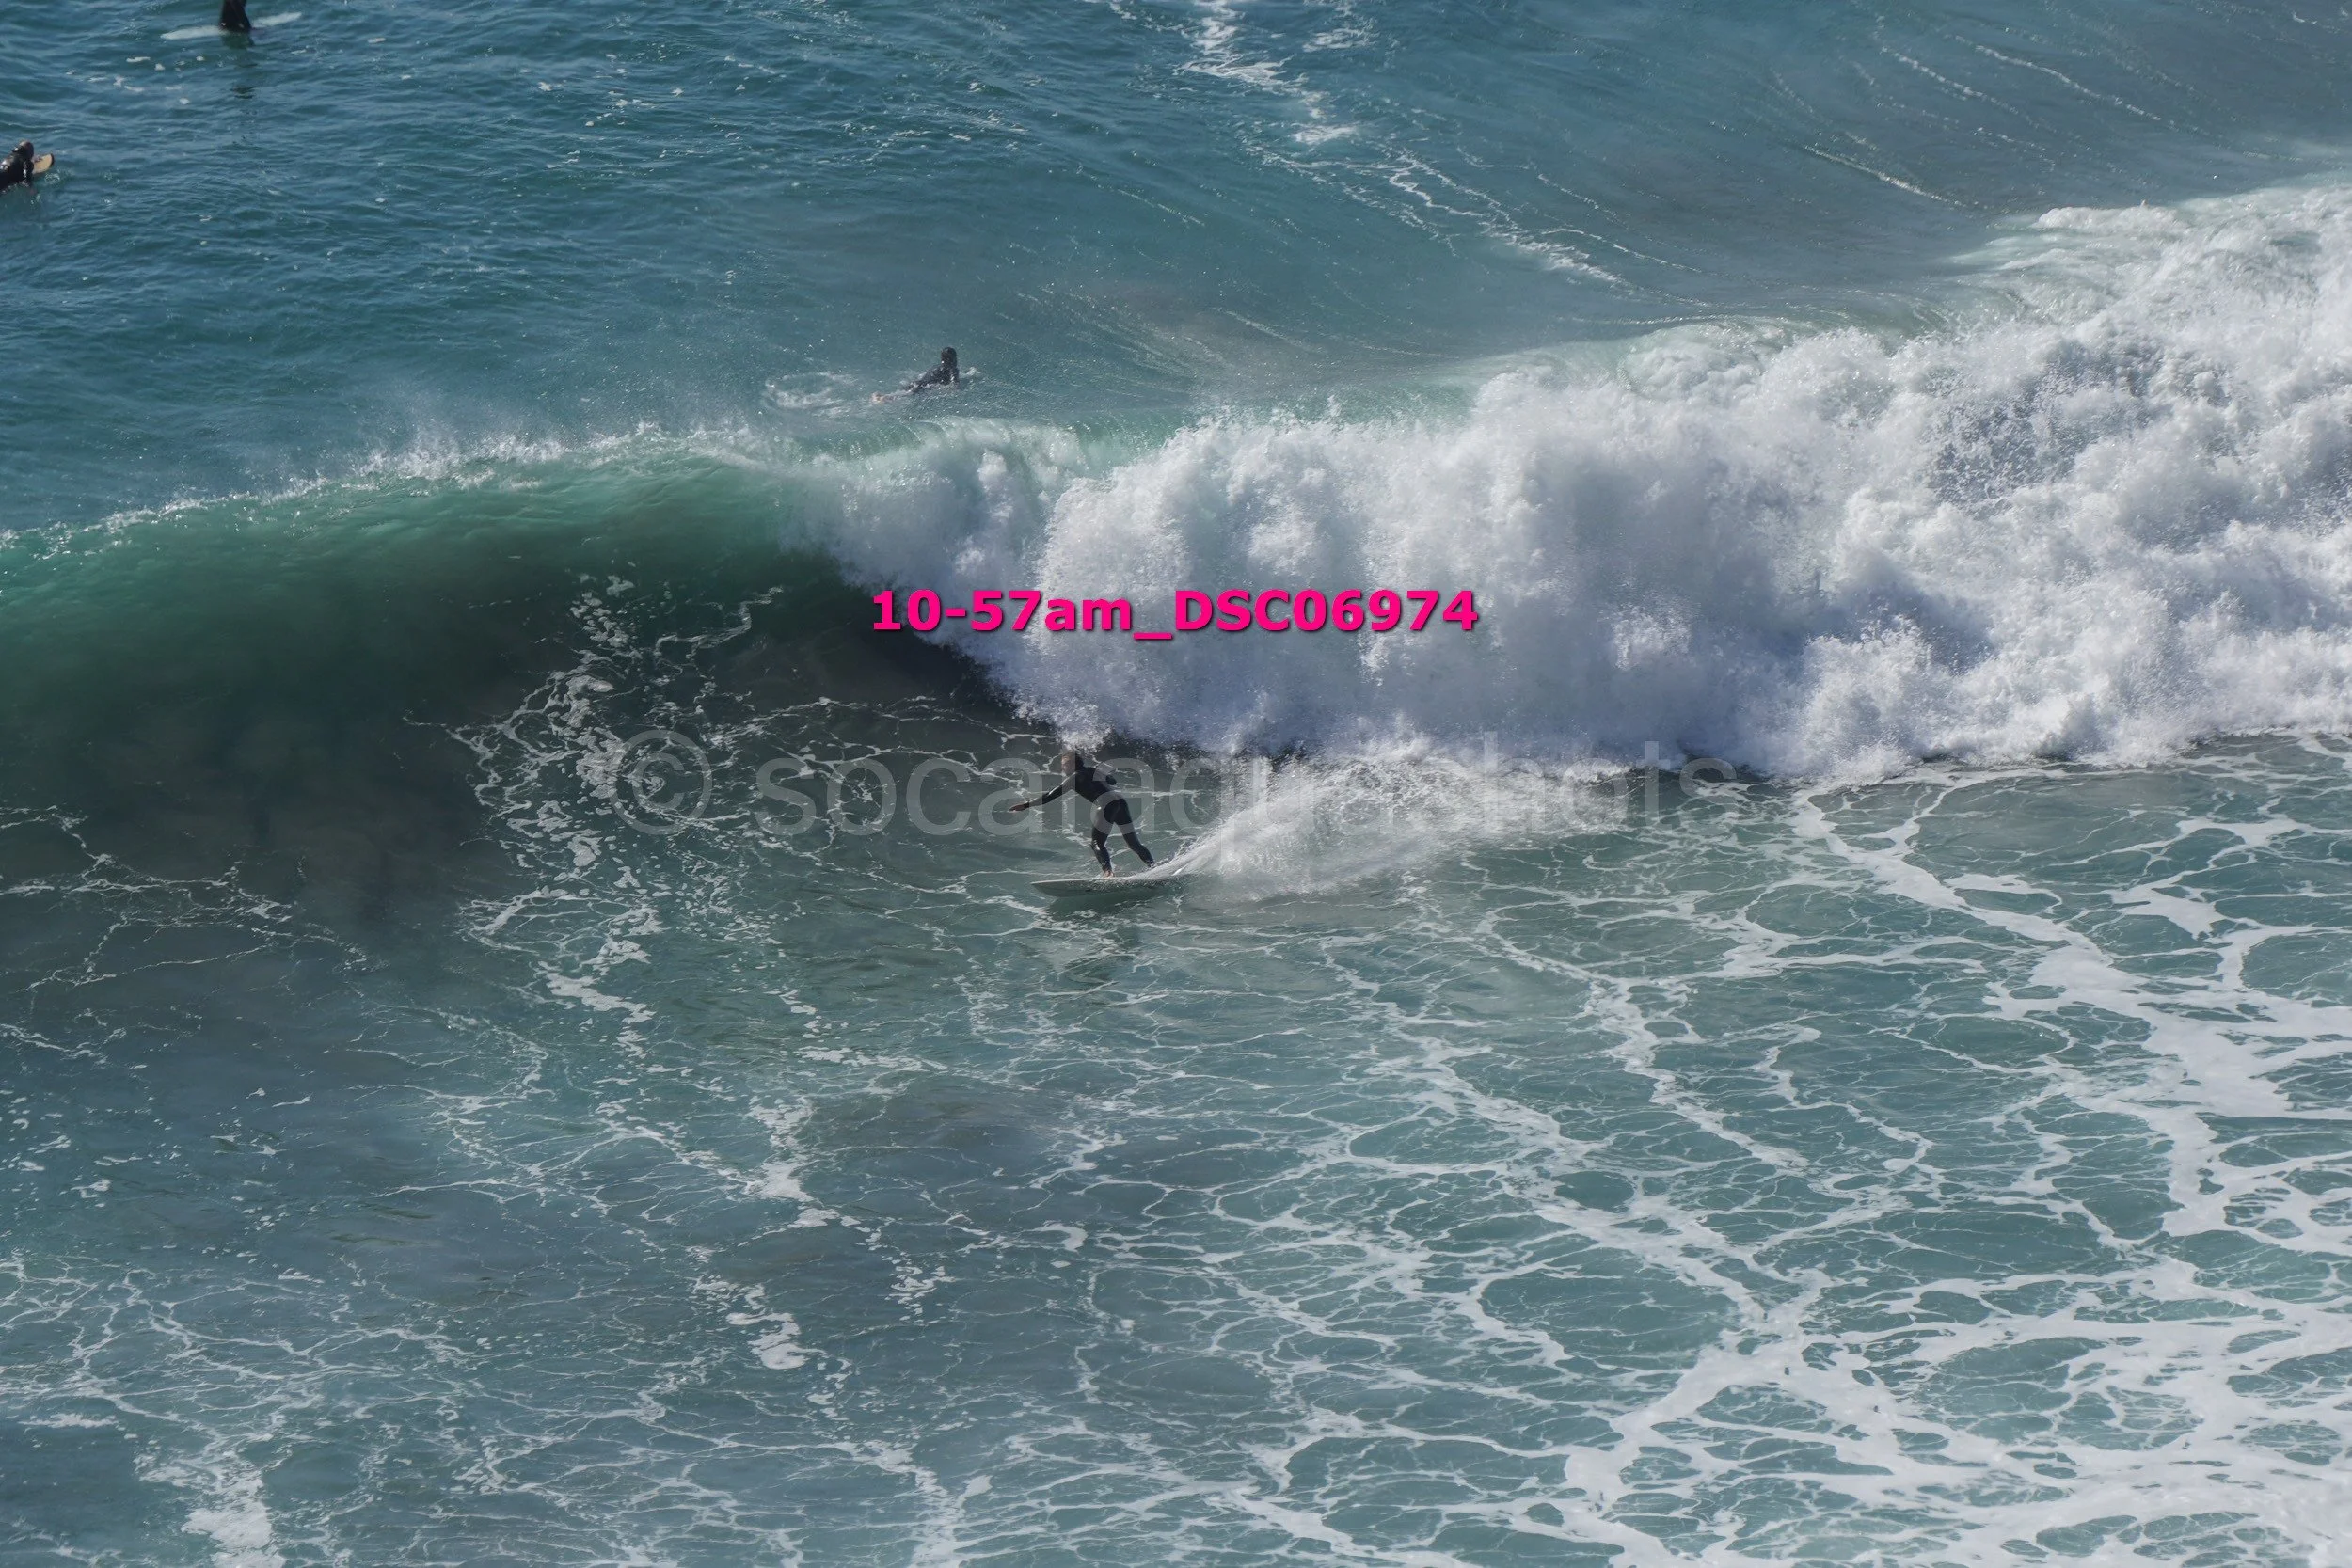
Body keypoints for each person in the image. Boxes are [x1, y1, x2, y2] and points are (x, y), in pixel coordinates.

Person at [1012, 751, 1156, 877]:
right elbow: (1112, 781)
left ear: (1071, 764)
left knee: (1096, 843)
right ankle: (1153, 867)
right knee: (1134, 843)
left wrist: (1026, 805)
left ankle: (1108, 873)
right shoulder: (1094, 771)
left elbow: (1050, 796)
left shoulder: (1073, 778)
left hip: (1106, 804)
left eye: (1064, 765)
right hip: (1120, 802)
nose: (1062, 768)